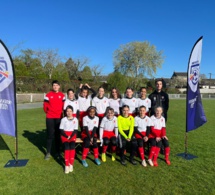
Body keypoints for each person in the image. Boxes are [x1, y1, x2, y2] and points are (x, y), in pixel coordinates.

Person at [43, 80, 65, 160]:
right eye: (54, 85)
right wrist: (49, 112)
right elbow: (45, 107)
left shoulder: (62, 95)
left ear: (59, 86)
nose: (55, 86)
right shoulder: (48, 95)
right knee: (50, 135)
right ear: (52, 86)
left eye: (57, 85)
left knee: (57, 135)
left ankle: (58, 152)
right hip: (50, 117)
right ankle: (48, 152)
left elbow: (64, 106)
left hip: (59, 117)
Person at [59, 105, 78, 174]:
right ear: (65, 112)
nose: (69, 113)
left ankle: (71, 164)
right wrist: (66, 136)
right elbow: (61, 129)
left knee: (72, 146)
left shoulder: (75, 119)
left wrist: (71, 136)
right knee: (67, 147)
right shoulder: (63, 119)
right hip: (65, 135)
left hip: (72, 135)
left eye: (70, 111)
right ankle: (66, 165)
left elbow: (75, 130)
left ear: (72, 112)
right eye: (67, 111)